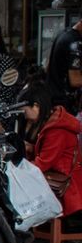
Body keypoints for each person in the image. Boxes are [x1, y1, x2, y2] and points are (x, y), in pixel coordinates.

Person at [19, 80, 82, 226]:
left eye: (25, 110)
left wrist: (19, 170)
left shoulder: (57, 130)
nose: (24, 115)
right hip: (59, 175)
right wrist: (30, 148)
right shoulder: (52, 122)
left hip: (65, 184)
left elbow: (43, 163)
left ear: (36, 106)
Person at [45, 17, 82, 113]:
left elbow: (47, 66)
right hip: (64, 103)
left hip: (52, 98)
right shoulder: (75, 43)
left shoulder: (64, 33)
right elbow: (75, 80)